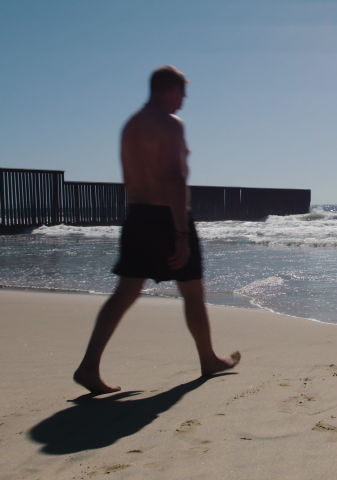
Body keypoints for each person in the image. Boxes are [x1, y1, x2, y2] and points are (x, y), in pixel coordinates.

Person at [74, 66, 240, 394]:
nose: (185, 99)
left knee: (126, 291)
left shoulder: (131, 126)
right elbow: (174, 177)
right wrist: (180, 235)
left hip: (137, 214)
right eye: (182, 92)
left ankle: (89, 366)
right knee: (192, 291)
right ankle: (208, 359)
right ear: (169, 89)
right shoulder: (169, 124)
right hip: (168, 217)